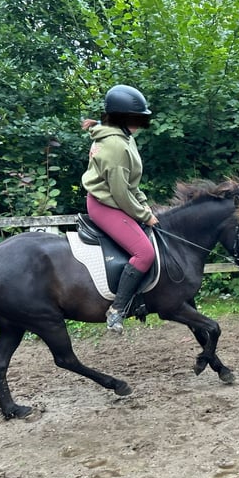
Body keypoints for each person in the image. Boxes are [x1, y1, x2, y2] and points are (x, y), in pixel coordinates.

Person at [81, 84, 159, 334]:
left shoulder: (125, 138)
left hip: (116, 199)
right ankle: (117, 310)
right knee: (145, 253)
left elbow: (131, 185)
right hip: (106, 205)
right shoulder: (115, 145)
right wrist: (145, 215)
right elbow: (120, 192)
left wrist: (145, 204)